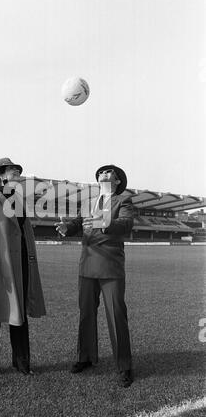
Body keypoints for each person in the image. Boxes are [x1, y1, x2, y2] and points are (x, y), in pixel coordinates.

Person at [55, 164, 134, 387]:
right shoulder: (90, 201)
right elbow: (80, 223)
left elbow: (126, 224)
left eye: (109, 172)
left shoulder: (123, 200)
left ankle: (125, 365)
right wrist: (67, 228)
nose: (103, 174)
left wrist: (104, 223)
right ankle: (85, 358)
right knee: (86, 313)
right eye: (101, 172)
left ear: (117, 181)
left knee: (116, 315)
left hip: (110, 265)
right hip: (87, 263)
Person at [0, 157, 46, 380]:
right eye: (13, 171)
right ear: (1, 176)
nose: (18, 174)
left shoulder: (19, 201)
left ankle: (22, 363)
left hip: (21, 265)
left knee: (20, 315)